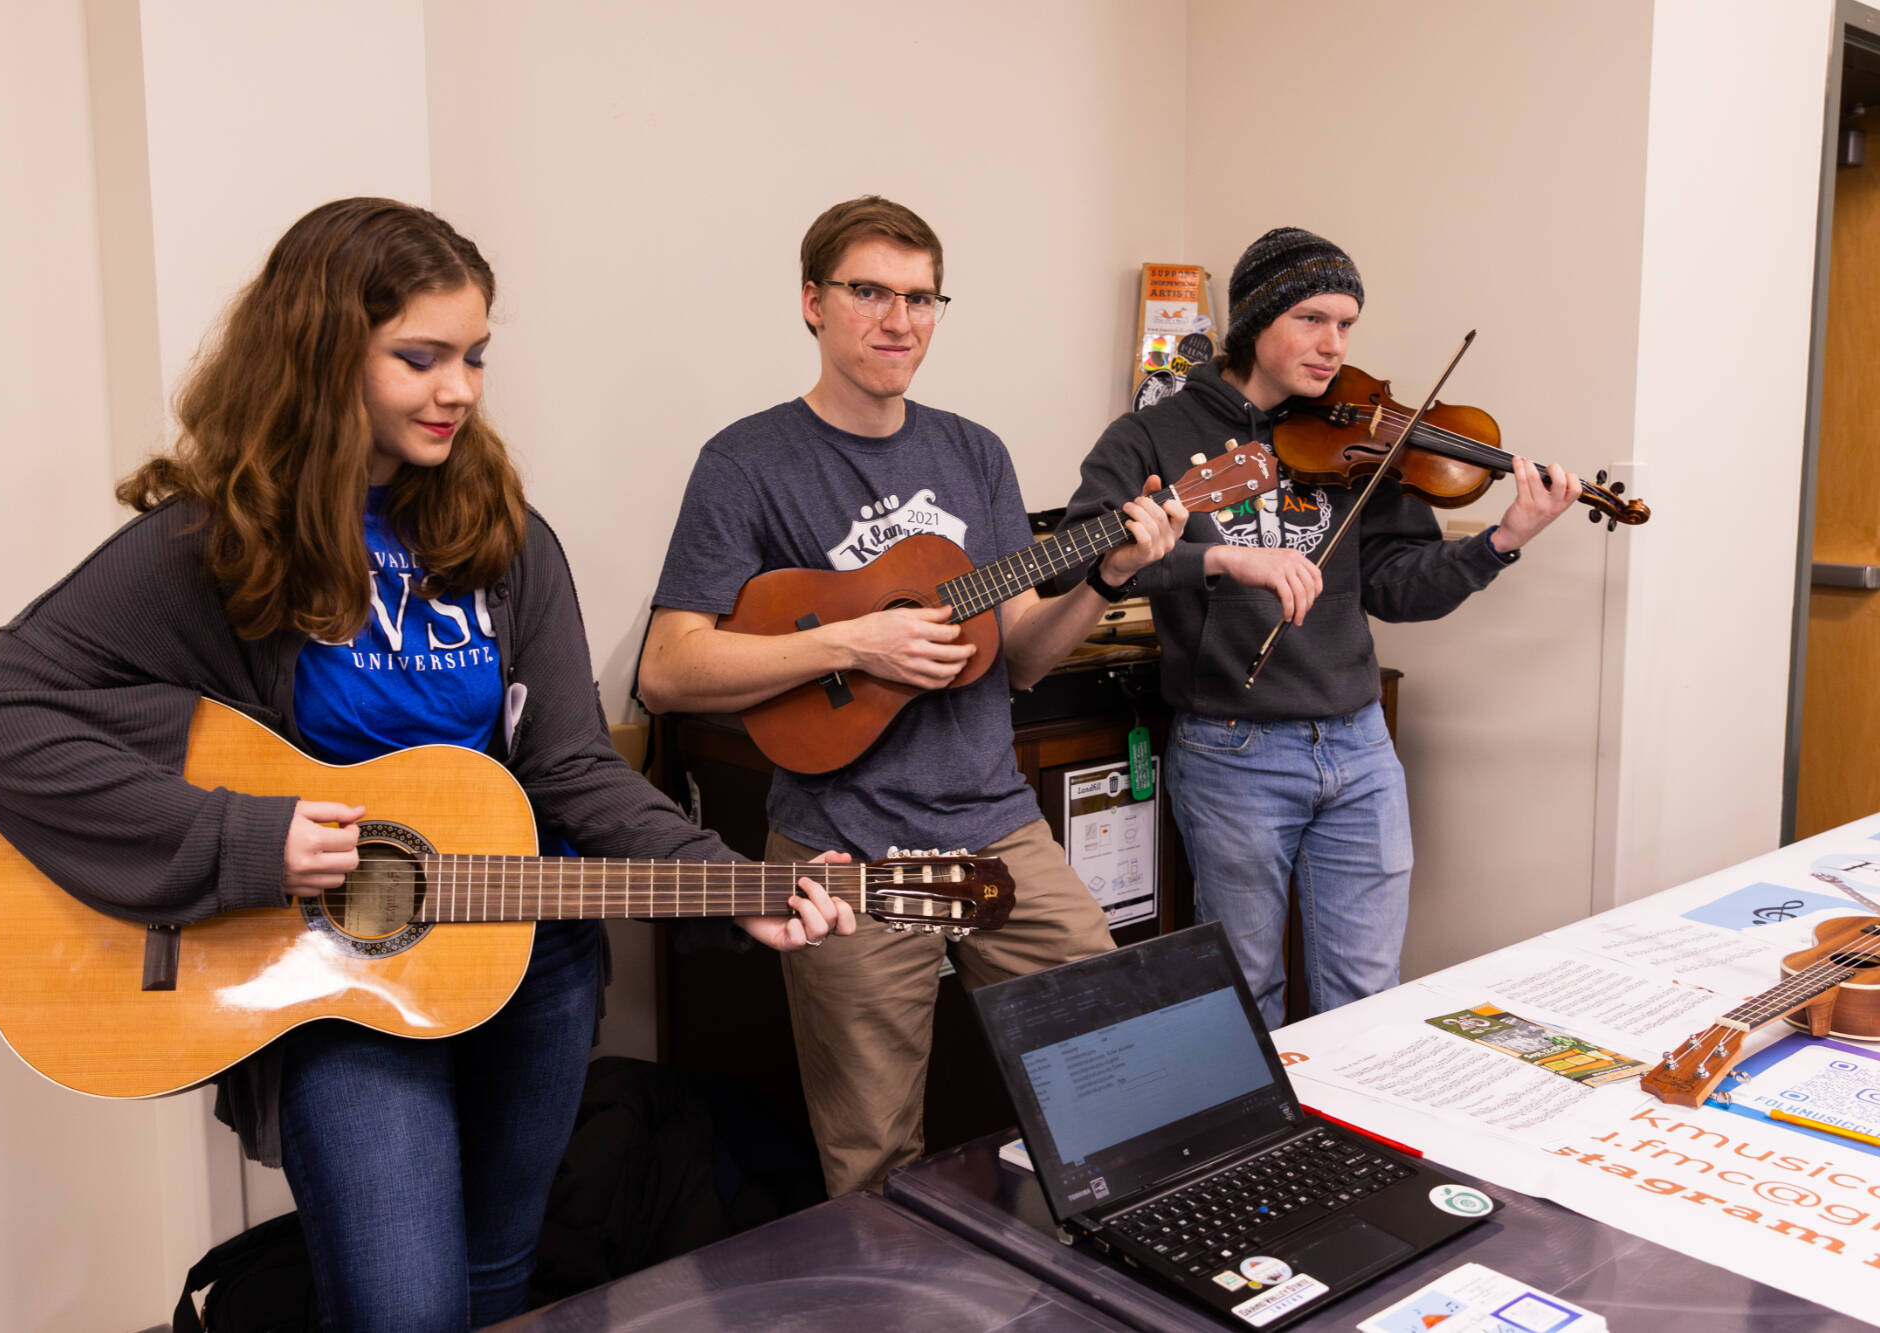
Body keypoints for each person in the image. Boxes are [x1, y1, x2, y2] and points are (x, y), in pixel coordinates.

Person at [0, 197, 854, 1332]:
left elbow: (569, 765)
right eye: (419, 357)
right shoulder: (216, 541)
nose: (457, 388)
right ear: (323, 356)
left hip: (530, 962)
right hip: (338, 981)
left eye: (473, 356)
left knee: (499, 1284)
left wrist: (724, 877)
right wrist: (242, 839)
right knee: (400, 1309)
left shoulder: (507, 540)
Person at [637, 195, 1188, 1198]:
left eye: (921, 298)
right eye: (870, 293)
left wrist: (1103, 578)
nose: (899, 320)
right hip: (843, 848)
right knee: (873, 1156)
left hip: (998, 827)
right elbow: (667, 668)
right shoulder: (746, 463)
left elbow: (1016, 654)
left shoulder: (974, 453)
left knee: (1121, 1075)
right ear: (812, 301)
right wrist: (858, 639)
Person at [1059, 226, 1581, 1029]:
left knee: (1367, 997)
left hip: (1359, 743)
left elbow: (1399, 588)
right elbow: (1079, 556)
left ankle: (1351, 1157)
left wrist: (1500, 541)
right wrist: (1225, 559)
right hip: (1233, 749)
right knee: (1244, 994)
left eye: (1346, 324)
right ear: (1253, 321)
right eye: (1311, 319)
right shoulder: (1154, 435)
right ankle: (1260, 1156)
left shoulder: (1361, 435)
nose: (1333, 345)